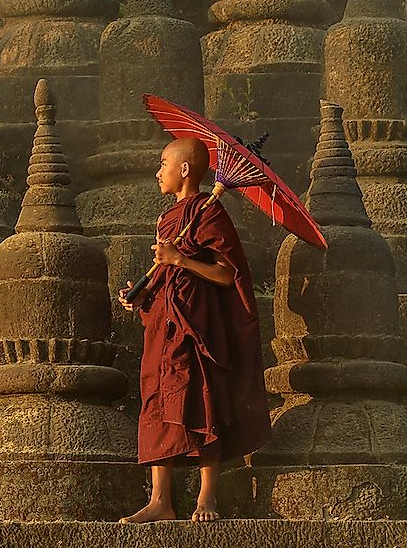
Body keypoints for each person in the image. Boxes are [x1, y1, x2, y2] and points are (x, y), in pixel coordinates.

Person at [117, 136, 271, 523]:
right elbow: (165, 271)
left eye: (163, 163)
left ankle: (206, 498)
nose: (158, 172)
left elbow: (225, 275)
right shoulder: (168, 218)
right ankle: (160, 501)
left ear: (184, 169)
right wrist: (141, 294)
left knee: (202, 400)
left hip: (197, 326)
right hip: (164, 323)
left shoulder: (209, 214)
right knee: (157, 401)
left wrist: (181, 259)